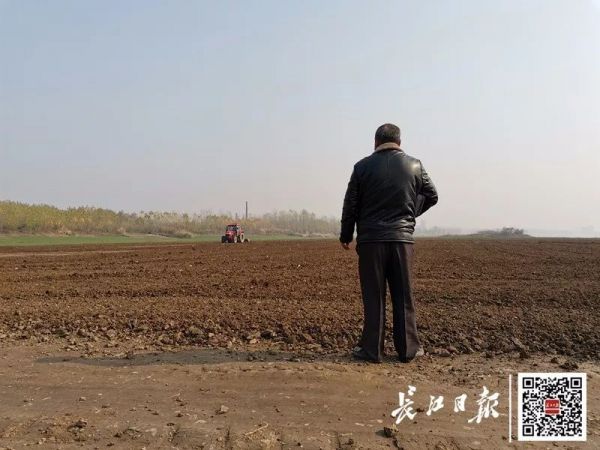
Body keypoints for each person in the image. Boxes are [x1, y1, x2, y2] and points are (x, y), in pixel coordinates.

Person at [340, 123, 438, 363]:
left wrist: (346, 235)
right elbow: (432, 195)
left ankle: (372, 350)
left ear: (375, 142)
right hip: (402, 241)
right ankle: (408, 350)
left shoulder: (362, 167)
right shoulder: (415, 165)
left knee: (373, 296)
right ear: (399, 142)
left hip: (371, 242)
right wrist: (409, 214)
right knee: (403, 296)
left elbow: (350, 204)